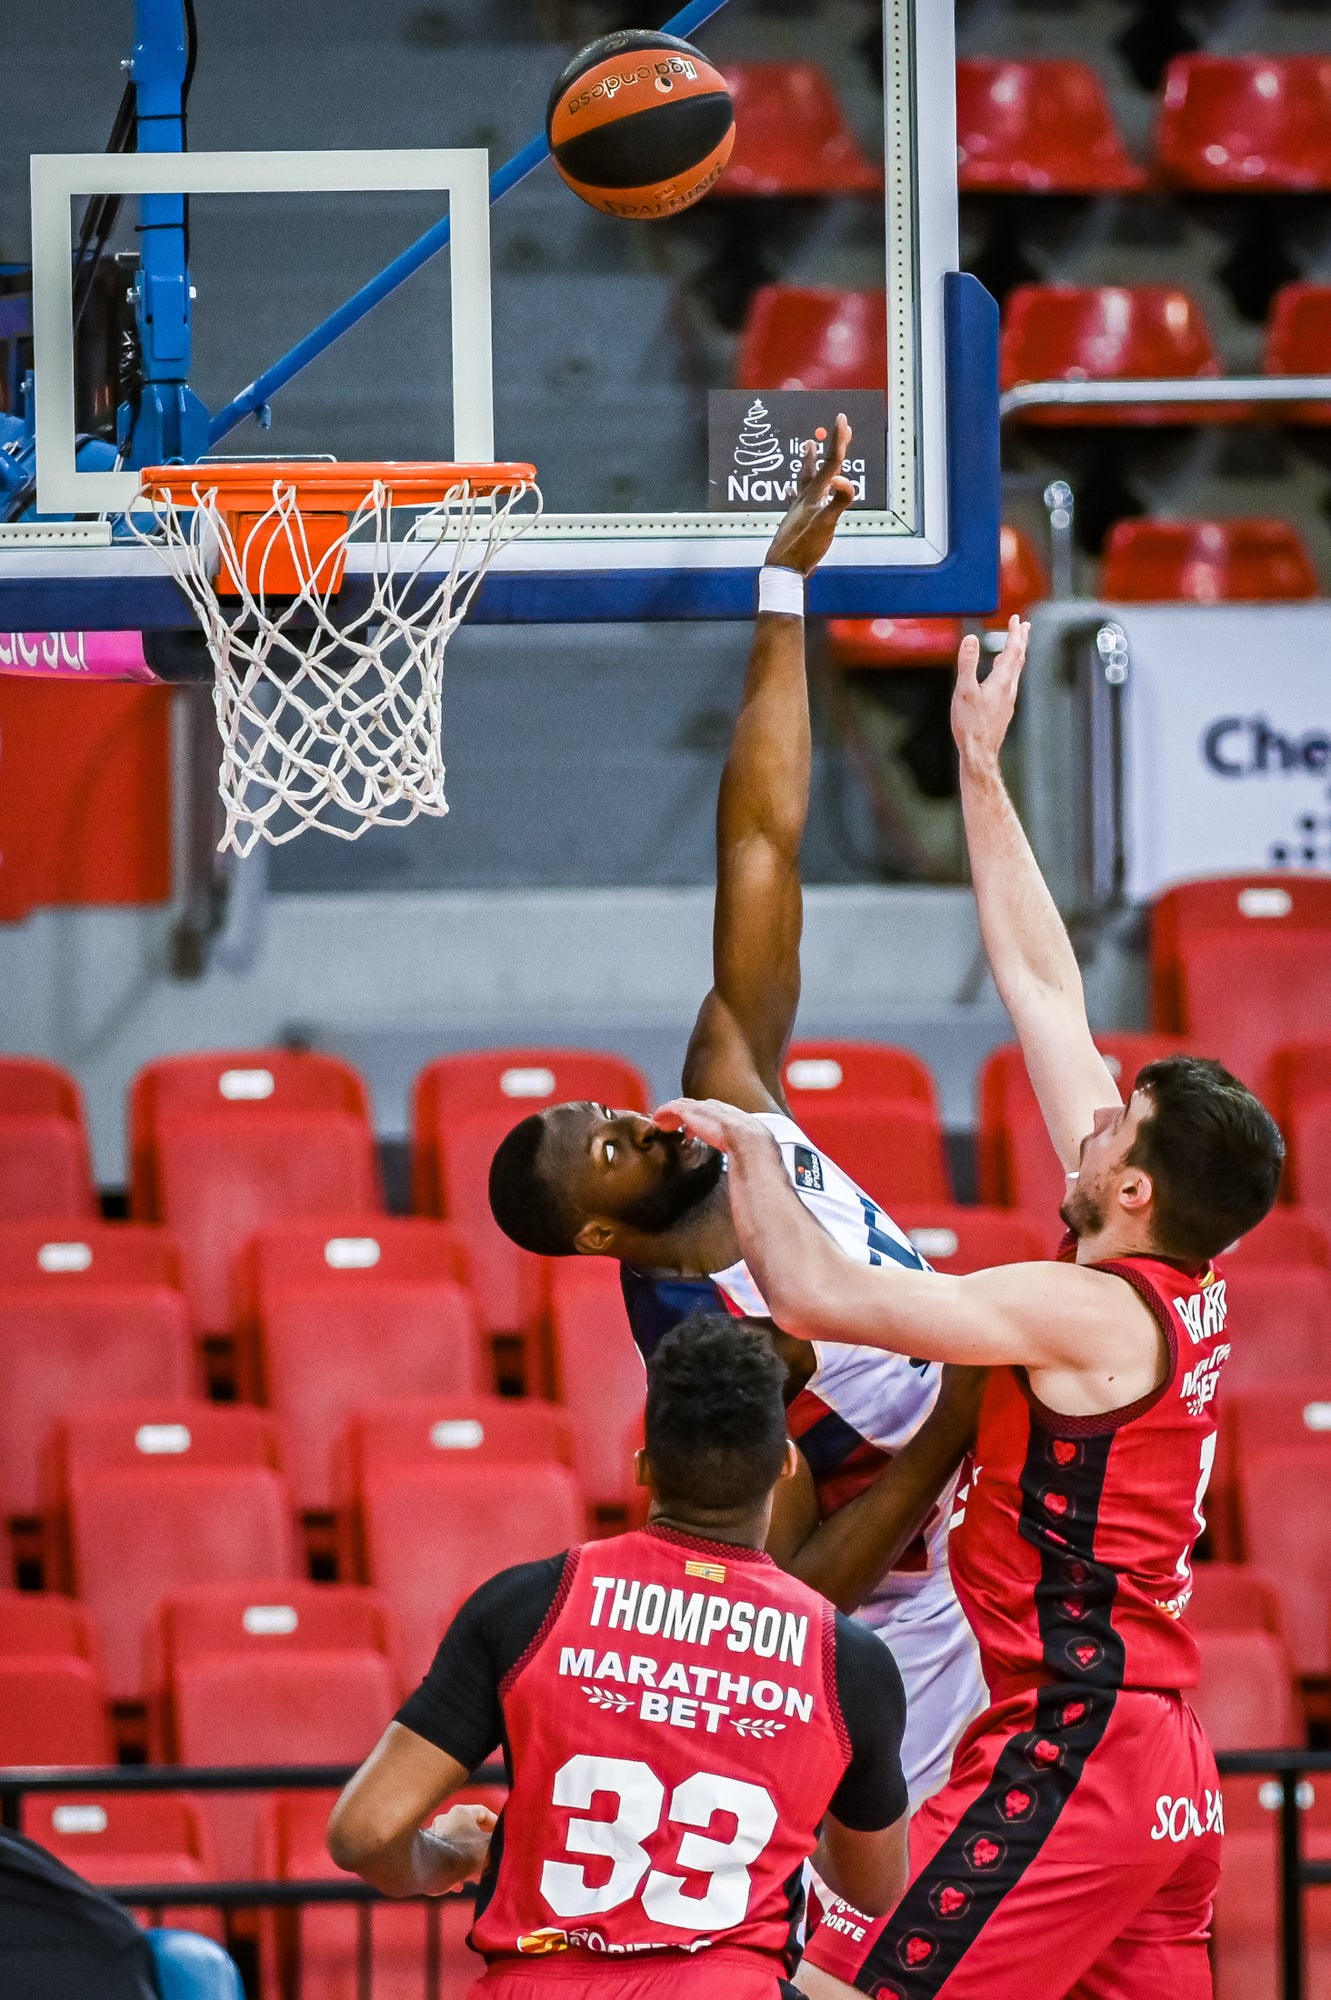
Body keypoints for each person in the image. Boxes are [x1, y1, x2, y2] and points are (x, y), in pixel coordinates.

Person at [656, 619, 1286, 2000]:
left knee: (838, 1992)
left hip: (1067, 1750)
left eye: (1116, 1119)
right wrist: (979, 769)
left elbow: (821, 1290)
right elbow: (1048, 993)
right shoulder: (1163, 1260)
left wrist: (749, 1145)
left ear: (1126, 1187)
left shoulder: (1083, 1314)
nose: (1095, 1105)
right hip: (1160, 1767)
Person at [488, 417, 985, 1811]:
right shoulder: (704, 1358)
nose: (641, 1121)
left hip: (1000, 1518)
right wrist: (952, 1423)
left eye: (613, 1108)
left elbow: (758, 842)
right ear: (599, 1227)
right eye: (609, 1141)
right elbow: (794, 1586)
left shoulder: (726, 1096)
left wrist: (782, 593)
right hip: (913, 1632)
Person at [328, 1314, 911, 2000]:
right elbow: (873, 1888)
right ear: (784, 1464)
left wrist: (444, 1859)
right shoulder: (845, 1656)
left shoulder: (528, 1604)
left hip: (535, 1981)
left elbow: (363, 1835)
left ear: (643, 1465)